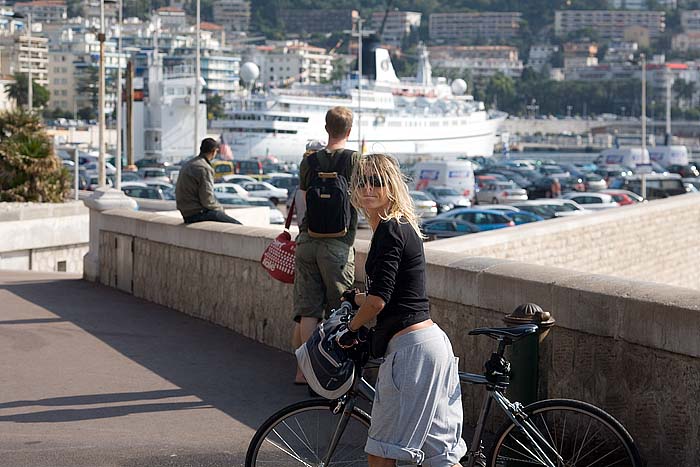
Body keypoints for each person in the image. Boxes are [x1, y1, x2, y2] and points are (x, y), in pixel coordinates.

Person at [336, 153, 467, 467]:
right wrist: (357, 300)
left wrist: (351, 329)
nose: (369, 188)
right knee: (440, 455)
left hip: (411, 354)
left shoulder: (390, 229)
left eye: (377, 182)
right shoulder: (400, 225)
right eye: (363, 181)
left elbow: (379, 300)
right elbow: (392, 292)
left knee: (381, 452)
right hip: (431, 345)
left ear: (391, 185)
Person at [292, 107, 358, 385]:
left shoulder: (310, 161)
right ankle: (330, 374)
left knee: (309, 312)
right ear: (350, 130)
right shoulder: (355, 161)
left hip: (308, 241)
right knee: (340, 311)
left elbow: (302, 199)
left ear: (326, 128)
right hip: (338, 245)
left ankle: (307, 372)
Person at [175, 138, 241, 225]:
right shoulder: (204, 168)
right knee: (236, 226)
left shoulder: (189, 164)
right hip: (198, 213)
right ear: (213, 151)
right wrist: (221, 210)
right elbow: (207, 199)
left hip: (186, 213)